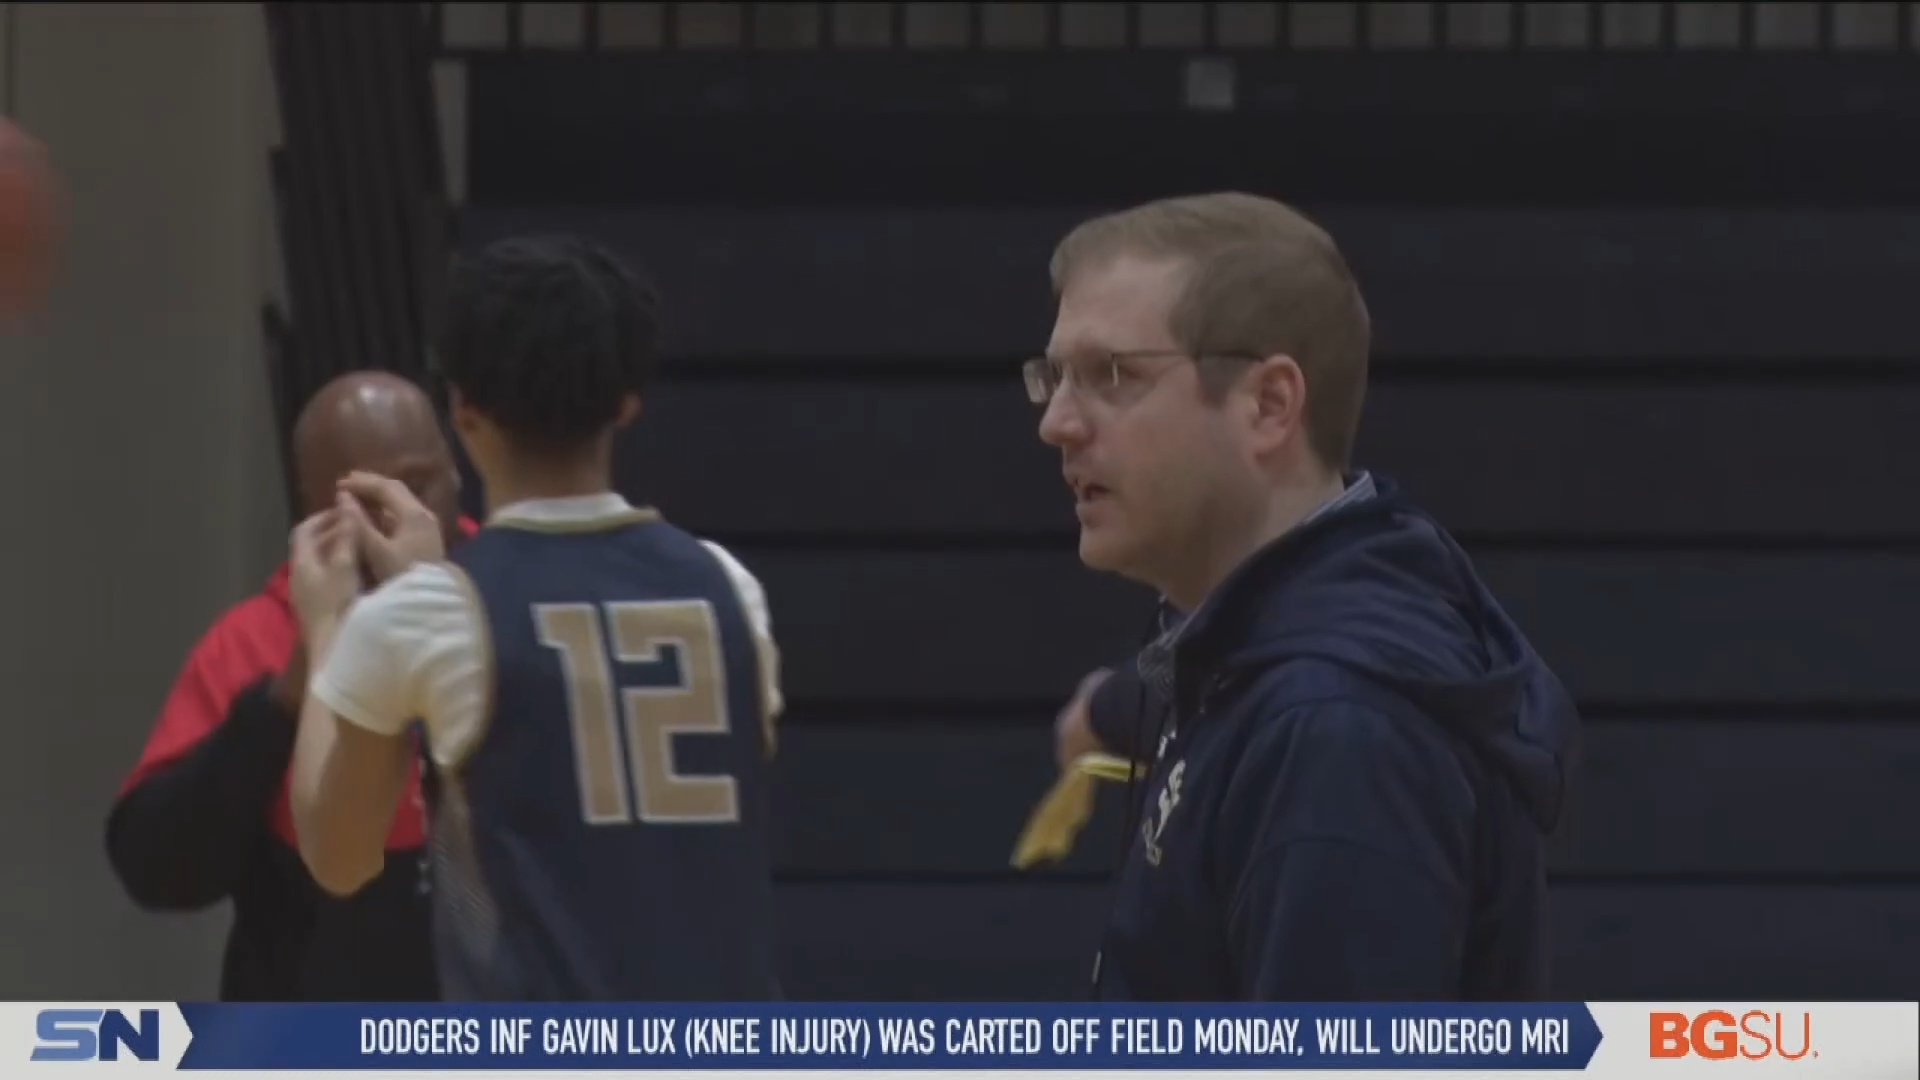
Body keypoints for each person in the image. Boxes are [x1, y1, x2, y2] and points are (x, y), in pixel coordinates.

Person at [1027, 192, 1580, 1001]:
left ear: (1270, 405)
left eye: (1112, 374)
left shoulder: (1339, 733)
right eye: (1054, 377)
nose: (1058, 424)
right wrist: (1110, 706)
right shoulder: (1257, 651)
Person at [282, 235, 783, 1000]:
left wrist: (330, 627)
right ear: (626, 401)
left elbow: (338, 855)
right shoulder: (730, 587)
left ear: (464, 407)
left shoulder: (431, 613)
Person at [105, 370, 472, 1001]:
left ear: (458, 475)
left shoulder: (508, 601)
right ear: (318, 514)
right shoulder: (252, 642)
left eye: (421, 484)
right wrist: (288, 696)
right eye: (376, 500)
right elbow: (156, 868)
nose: (410, 517)